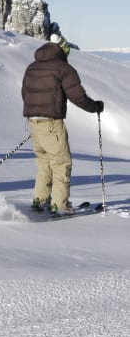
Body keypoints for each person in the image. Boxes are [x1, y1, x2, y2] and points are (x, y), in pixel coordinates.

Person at [21, 30, 104, 215]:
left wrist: (36, 113)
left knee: (44, 162)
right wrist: (96, 107)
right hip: (52, 124)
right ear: (63, 49)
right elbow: (78, 96)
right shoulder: (63, 68)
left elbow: (25, 93)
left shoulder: (32, 67)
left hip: (33, 122)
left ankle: (40, 199)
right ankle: (60, 205)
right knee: (61, 163)